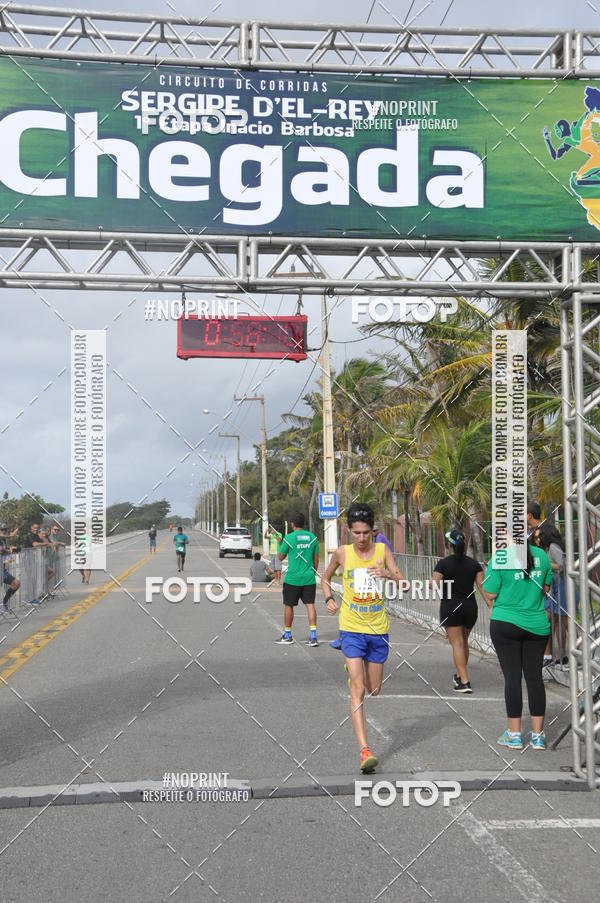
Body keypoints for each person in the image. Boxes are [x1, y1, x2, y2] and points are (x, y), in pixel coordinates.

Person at [322, 502, 407, 773]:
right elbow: (324, 579)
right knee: (357, 689)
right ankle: (364, 751)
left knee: (374, 690)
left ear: (373, 531)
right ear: (349, 530)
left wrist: (388, 574)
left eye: (366, 533)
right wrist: (329, 598)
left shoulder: (382, 551)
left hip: (378, 629)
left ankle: (355, 670)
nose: (361, 538)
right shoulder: (342, 554)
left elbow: (403, 583)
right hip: (351, 628)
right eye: (356, 533)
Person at [483, 540, 553, 750]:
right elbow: (546, 589)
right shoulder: (542, 555)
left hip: (505, 622)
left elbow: (490, 593)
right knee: (534, 678)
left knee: (512, 677)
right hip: (537, 624)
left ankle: (514, 734)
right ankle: (538, 736)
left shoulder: (501, 556)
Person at [432, 528, 488, 693]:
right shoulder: (474, 564)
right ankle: (459, 674)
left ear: (449, 545)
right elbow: (482, 588)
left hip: (451, 607)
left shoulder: (443, 564)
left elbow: (434, 584)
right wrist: (491, 606)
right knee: (464, 642)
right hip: (470, 608)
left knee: (457, 644)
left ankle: (464, 682)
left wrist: (431, 581)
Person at [277, 513, 319, 646]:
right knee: (310, 604)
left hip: (292, 579)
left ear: (292, 524)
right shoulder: (313, 538)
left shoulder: (289, 538)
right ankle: (313, 636)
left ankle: (288, 635)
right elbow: (316, 560)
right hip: (309, 579)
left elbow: (280, 557)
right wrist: (311, 572)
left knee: (289, 605)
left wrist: (280, 543)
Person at [537, 523, 571, 668]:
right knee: (555, 623)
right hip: (555, 588)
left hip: (562, 587)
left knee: (561, 622)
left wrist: (545, 563)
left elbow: (561, 565)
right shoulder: (547, 549)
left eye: (539, 536)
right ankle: (557, 655)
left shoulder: (553, 547)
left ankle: (563, 654)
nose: (537, 540)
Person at [0, 523, 20, 615]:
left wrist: (14, 549)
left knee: (16, 583)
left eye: (4, 529)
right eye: (1, 529)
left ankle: (4, 603)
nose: (3, 531)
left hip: (3, 568)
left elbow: (10, 536)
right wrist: (8, 550)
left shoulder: (3, 540)